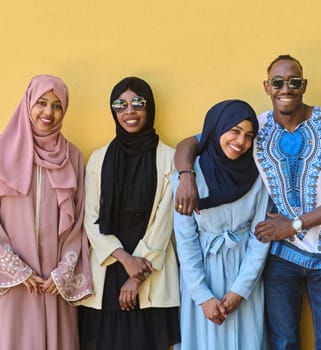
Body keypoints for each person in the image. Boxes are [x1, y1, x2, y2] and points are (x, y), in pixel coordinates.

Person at [174, 55, 321, 350]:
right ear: (267, 86)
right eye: (278, 82)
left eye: (294, 82)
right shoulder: (257, 128)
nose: (286, 88)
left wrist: (295, 225)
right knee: (284, 342)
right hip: (280, 257)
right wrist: (186, 175)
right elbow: (193, 141)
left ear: (304, 85)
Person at [78, 77, 180, 350]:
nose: (129, 111)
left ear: (150, 108)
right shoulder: (99, 159)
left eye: (138, 103)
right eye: (120, 105)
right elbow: (91, 217)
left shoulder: (169, 158)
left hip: (150, 271)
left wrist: (136, 275)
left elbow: (165, 220)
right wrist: (124, 260)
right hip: (109, 269)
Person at [0, 74, 93, 350]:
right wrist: (15, 268)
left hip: (54, 285)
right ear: (28, 102)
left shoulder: (72, 156)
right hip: (14, 284)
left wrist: (63, 272)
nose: (48, 113)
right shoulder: (3, 153)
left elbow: (78, 221)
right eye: (41, 103)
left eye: (57, 106)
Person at [173, 99, 270, 350]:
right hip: (203, 273)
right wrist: (202, 296)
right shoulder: (190, 176)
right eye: (234, 131)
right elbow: (185, 240)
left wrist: (241, 289)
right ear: (217, 129)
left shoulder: (258, 174)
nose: (240, 142)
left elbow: (260, 236)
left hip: (245, 272)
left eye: (249, 136)